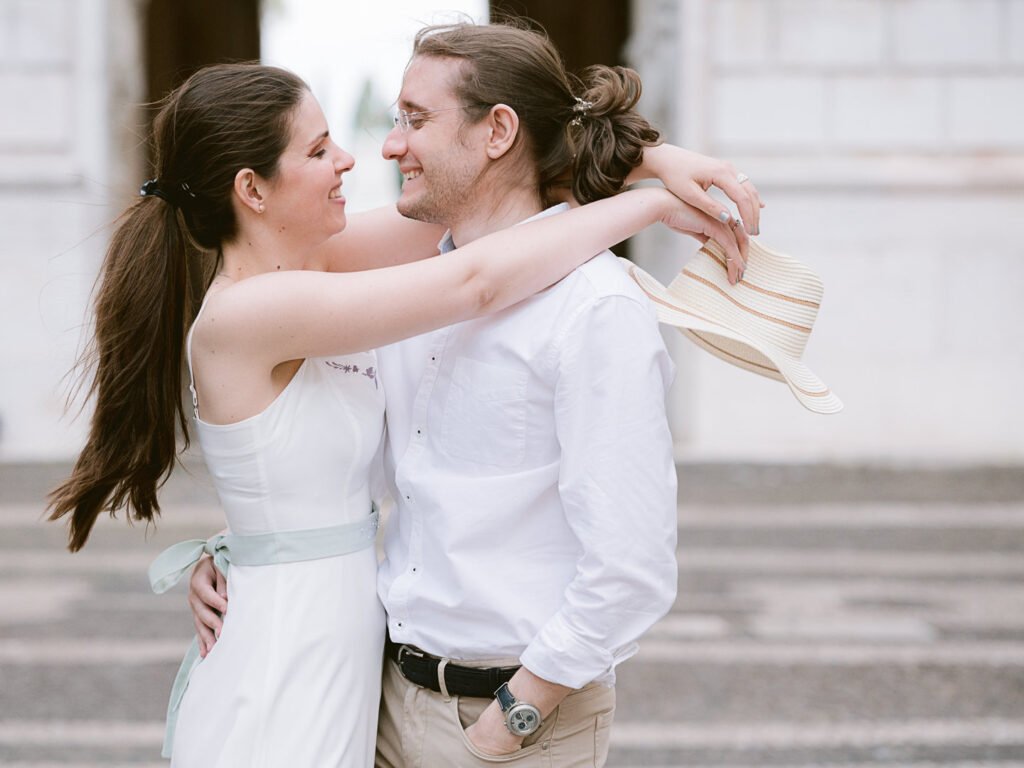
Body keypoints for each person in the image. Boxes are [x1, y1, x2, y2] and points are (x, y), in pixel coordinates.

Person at [47, 59, 743, 767]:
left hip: (348, 660)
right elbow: (476, 281)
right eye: (318, 150)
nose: (352, 157)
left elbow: (490, 204)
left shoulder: (313, 268)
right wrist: (651, 205)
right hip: (288, 658)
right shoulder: (251, 311)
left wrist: (652, 159)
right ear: (252, 189)